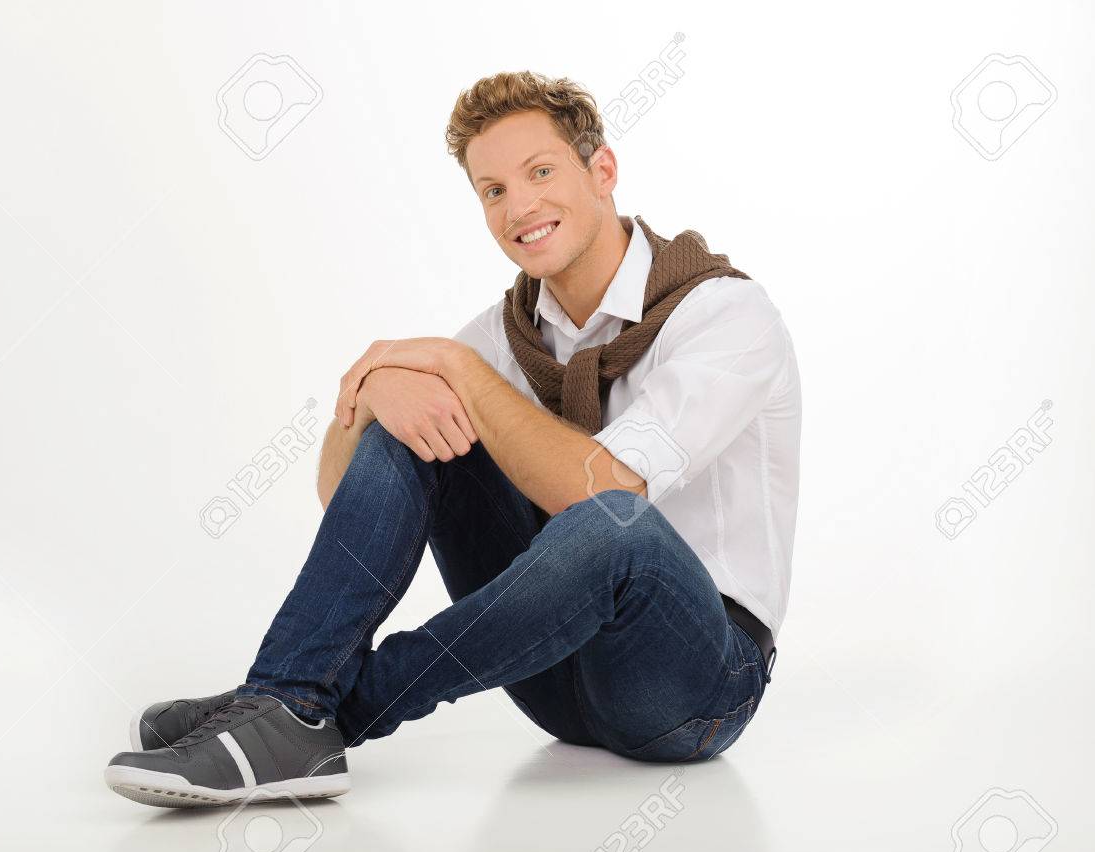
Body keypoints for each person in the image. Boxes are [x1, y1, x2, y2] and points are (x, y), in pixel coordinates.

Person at [104, 70, 802, 808]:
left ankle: (298, 706)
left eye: (540, 171)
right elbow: (343, 497)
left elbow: (598, 491)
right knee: (421, 420)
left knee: (613, 522)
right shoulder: (502, 341)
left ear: (603, 171)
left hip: (695, 686)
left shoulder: (725, 317)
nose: (520, 205)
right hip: (553, 684)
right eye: (493, 190)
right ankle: (287, 704)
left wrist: (454, 368)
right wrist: (375, 397)